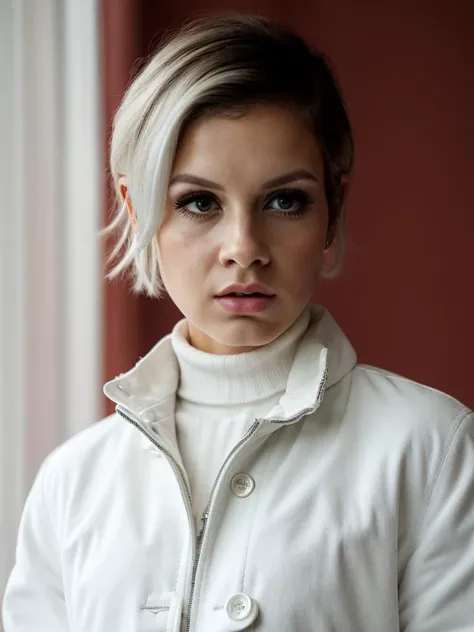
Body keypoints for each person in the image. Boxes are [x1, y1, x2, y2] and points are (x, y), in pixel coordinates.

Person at [3, 12, 474, 632]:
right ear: (137, 208)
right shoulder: (71, 482)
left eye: (285, 201)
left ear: (333, 212)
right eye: (198, 202)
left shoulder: (432, 448)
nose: (244, 247)